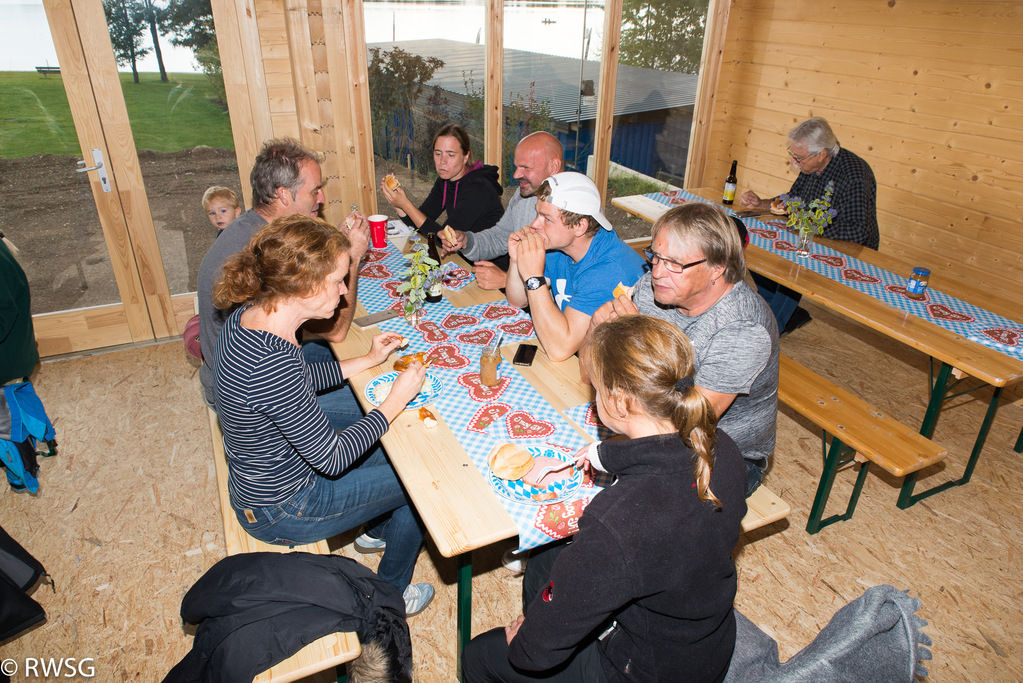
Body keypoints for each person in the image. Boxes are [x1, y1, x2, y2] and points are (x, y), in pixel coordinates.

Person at [461, 314, 747, 683]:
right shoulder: (723, 448)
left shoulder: (617, 523)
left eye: (596, 388)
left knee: (482, 655)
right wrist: (599, 456)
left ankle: (544, 624)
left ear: (621, 402)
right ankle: (548, 618)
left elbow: (535, 656)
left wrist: (527, 643)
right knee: (548, 556)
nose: (593, 396)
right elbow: (661, 463)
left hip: (646, 671)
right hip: (700, 638)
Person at [212, 214, 434, 615]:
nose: (344, 295)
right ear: (306, 287)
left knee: (372, 421)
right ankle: (388, 598)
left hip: (263, 474)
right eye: (337, 282)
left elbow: (298, 379)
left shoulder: (252, 316)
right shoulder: (271, 361)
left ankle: (376, 530)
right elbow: (331, 459)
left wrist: (366, 359)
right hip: (283, 509)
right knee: (418, 474)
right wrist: (395, 400)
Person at [587, 203, 778, 497]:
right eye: (655, 256)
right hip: (648, 420)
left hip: (720, 452)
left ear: (718, 267)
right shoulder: (656, 290)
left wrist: (636, 341)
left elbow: (691, 422)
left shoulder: (743, 329)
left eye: (676, 264)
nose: (658, 273)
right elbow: (591, 376)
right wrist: (599, 333)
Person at [197, 138, 370, 431]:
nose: (322, 198)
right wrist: (351, 260)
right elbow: (337, 331)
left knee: (362, 361)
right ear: (283, 195)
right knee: (377, 401)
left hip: (254, 369)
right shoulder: (261, 256)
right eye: (314, 190)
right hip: (249, 403)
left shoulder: (257, 230)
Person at [738, 117, 879, 334]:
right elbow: (793, 201)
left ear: (821, 153)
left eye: (799, 157)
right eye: (792, 154)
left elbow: (858, 231)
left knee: (792, 269)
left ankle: (768, 331)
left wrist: (806, 229)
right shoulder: (811, 167)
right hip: (811, 236)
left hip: (850, 250)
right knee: (753, 247)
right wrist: (762, 203)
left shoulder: (854, 175)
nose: (794, 162)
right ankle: (783, 311)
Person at [505, 172, 646, 362]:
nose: (534, 224)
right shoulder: (559, 247)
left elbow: (559, 350)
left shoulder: (608, 271)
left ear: (580, 226)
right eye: (537, 214)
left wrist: (533, 277)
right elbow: (517, 300)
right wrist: (517, 260)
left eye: (547, 218)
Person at [438, 132, 564, 290]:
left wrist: (507, 281)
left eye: (526, 168)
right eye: (517, 166)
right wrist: (466, 241)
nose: (516, 174)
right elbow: (499, 238)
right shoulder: (522, 194)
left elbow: (567, 281)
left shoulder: (573, 209)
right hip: (520, 294)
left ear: (554, 167)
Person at [381, 124, 504, 246]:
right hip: (462, 254)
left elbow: (445, 240)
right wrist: (397, 202)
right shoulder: (444, 181)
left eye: (450, 155)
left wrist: (406, 204)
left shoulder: (478, 188)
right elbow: (417, 224)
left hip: (489, 262)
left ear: (465, 157)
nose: (442, 162)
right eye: (438, 153)